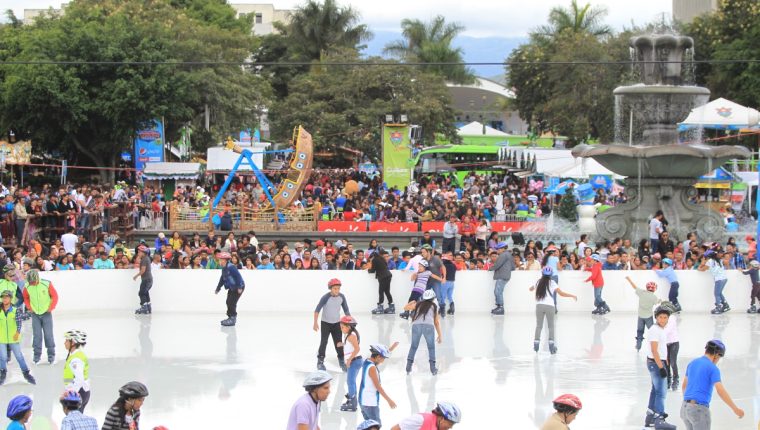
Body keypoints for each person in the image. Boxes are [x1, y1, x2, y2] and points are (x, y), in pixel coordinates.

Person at [681, 340, 745, 429]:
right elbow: (720, 390)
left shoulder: (692, 363)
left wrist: (690, 404)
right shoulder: (712, 368)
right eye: (719, 357)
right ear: (716, 355)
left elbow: (684, 386)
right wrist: (735, 409)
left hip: (684, 409)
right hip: (699, 409)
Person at [530, 267, 577, 354]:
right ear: (551, 274)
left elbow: (531, 288)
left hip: (539, 306)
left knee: (539, 326)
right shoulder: (552, 282)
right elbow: (561, 294)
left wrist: (533, 287)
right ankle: (551, 345)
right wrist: (572, 295)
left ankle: (536, 344)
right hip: (550, 306)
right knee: (551, 326)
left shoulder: (538, 281)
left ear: (542, 273)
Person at [643, 306, 676, 429]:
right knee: (661, 393)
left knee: (655, 390)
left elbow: (661, 348)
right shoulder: (654, 330)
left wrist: (665, 360)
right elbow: (654, 350)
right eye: (660, 317)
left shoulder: (660, 329)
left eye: (665, 317)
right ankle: (659, 419)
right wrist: (661, 367)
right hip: (656, 364)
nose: (663, 319)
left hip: (658, 362)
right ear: (656, 317)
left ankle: (650, 417)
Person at [313, 278, 351, 371]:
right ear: (330, 288)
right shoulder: (325, 297)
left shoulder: (342, 297)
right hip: (325, 323)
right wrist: (315, 322)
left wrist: (349, 322)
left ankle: (341, 361)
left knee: (339, 342)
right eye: (335, 288)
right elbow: (317, 310)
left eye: (338, 288)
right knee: (324, 341)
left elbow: (346, 310)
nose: (337, 290)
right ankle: (320, 361)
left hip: (337, 324)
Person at [22, 269, 57, 364]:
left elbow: (54, 296)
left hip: (46, 313)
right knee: (37, 336)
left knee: (48, 335)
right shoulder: (27, 286)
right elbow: (25, 297)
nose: (32, 283)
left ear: (37, 278)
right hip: (35, 314)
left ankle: (51, 355)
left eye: (33, 282)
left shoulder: (47, 284)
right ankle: (36, 356)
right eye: (30, 282)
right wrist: (29, 307)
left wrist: (51, 307)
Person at [0, 290, 35, 385]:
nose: (4, 299)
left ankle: (26, 373)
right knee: (2, 357)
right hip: (1, 338)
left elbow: (19, 323)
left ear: (11, 299)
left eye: (6, 297)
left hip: (13, 338)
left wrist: (17, 332)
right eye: (3, 297)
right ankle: (2, 372)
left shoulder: (15, 310)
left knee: (19, 356)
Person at [404, 289, 442, 375]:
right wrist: (440, 335)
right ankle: (433, 368)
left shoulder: (418, 304)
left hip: (416, 326)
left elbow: (405, 308)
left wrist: (411, 302)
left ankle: (408, 367)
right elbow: (436, 322)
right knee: (431, 347)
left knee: (413, 346)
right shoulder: (434, 306)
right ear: (433, 298)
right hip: (428, 326)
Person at [359, 344, 398, 425]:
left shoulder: (367, 361)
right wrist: (389, 400)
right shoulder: (372, 368)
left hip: (363, 401)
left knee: (369, 426)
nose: (383, 361)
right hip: (370, 403)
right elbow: (378, 387)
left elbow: (381, 353)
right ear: (378, 357)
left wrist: (391, 349)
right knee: (376, 425)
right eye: (383, 358)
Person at [626, 276, 661, 351]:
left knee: (640, 331)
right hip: (649, 317)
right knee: (652, 330)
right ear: (654, 289)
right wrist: (660, 300)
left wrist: (629, 279)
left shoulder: (642, 293)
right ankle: (655, 344)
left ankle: (638, 345)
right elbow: (657, 302)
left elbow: (634, 287)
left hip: (640, 316)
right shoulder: (654, 297)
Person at [63, 330, 91, 412]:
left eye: (67, 340)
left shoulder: (76, 359)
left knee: (74, 417)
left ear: (73, 342)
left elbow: (79, 379)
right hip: (81, 392)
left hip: (78, 393)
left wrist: (71, 394)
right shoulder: (77, 355)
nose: (64, 343)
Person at [214, 252, 245, 327]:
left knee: (231, 302)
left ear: (224, 260)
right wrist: (218, 288)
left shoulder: (231, 267)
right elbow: (222, 278)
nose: (219, 261)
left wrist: (239, 287)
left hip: (238, 286)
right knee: (228, 301)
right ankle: (230, 317)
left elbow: (238, 277)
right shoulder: (224, 268)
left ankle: (233, 318)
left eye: (220, 259)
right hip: (232, 287)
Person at [338, 315, 362, 412]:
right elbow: (350, 345)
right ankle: (352, 401)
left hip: (354, 361)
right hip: (356, 361)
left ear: (348, 326)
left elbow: (357, 349)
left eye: (342, 327)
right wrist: (342, 344)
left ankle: (352, 403)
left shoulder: (351, 336)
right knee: (352, 381)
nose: (341, 329)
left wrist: (349, 360)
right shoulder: (349, 335)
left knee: (350, 382)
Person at [390, 402, 461, 430]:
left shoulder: (438, 427)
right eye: (450, 424)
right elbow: (394, 429)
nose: (451, 427)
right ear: (442, 419)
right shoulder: (420, 419)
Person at [698, 250, 729, 314]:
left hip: (719, 279)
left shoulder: (710, 261)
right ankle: (725, 305)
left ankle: (719, 307)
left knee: (716, 294)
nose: (705, 258)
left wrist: (700, 265)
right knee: (719, 293)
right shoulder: (718, 260)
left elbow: (702, 269)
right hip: (724, 278)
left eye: (705, 257)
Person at [488, 242, 515, 316]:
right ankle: (499, 307)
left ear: (503, 249)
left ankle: (500, 307)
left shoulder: (503, 255)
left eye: (498, 249)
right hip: (506, 275)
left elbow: (497, 265)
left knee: (498, 291)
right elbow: (513, 267)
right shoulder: (509, 255)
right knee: (499, 291)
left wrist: (490, 268)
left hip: (502, 275)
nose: (497, 251)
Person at [368, 249, 394, 315]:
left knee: (381, 292)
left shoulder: (374, 260)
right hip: (388, 275)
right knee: (387, 291)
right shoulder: (381, 258)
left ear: (372, 256)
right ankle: (392, 307)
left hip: (383, 277)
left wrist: (368, 270)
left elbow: (372, 270)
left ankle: (380, 307)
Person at [132, 245, 153, 315]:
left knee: (141, 293)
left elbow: (143, 270)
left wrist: (136, 276)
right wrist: (139, 256)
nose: (138, 253)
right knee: (145, 292)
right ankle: (148, 307)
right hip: (149, 279)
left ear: (143, 252)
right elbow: (138, 261)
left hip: (146, 279)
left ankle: (144, 307)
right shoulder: (146, 258)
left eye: (139, 252)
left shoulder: (144, 259)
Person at [440, 251, 457, 315]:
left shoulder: (443, 264)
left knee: (443, 296)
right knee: (449, 296)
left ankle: (441, 309)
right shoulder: (453, 265)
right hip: (452, 282)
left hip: (445, 282)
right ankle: (452, 309)